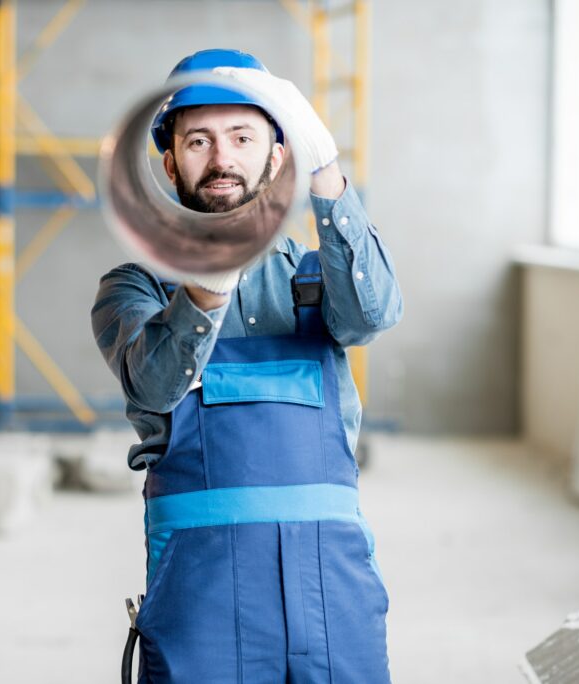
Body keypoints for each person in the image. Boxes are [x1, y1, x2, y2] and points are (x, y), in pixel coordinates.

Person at [91, 48, 403, 683]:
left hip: (332, 588)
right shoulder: (134, 289)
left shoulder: (319, 277)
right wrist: (210, 283)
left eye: (242, 136)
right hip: (202, 595)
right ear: (170, 161)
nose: (222, 157)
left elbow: (372, 315)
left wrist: (329, 178)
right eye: (198, 140)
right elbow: (153, 383)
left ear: (279, 154)